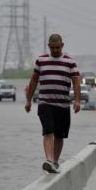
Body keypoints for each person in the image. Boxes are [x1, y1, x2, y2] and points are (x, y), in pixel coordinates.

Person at [25, 33, 81, 174]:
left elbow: (76, 82)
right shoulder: (41, 61)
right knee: (48, 131)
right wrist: (28, 100)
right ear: (49, 46)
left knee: (60, 135)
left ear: (62, 45)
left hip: (63, 105)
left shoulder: (70, 62)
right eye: (53, 48)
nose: (55, 50)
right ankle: (49, 160)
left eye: (58, 47)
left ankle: (55, 162)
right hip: (45, 103)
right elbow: (33, 80)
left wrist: (77, 100)